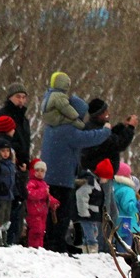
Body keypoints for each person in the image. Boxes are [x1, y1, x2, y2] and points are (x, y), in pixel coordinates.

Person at [39, 95, 110, 253]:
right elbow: (87, 139)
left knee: (53, 215)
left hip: (52, 177)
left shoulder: (52, 126)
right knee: (62, 215)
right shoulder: (67, 129)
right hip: (62, 179)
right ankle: (56, 245)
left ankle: (52, 243)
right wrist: (105, 131)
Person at [0, 83, 31, 246]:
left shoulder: (24, 118)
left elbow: (25, 142)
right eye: (18, 97)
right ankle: (5, 240)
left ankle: (13, 240)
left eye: (23, 97)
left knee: (19, 204)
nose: (21, 100)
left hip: (21, 165)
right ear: (10, 97)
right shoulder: (2, 115)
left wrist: (25, 161)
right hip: (7, 166)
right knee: (7, 206)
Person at [78, 99, 137, 175]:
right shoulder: (97, 131)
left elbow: (111, 137)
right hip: (99, 175)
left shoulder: (93, 127)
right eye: (106, 112)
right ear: (99, 115)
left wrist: (122, 126)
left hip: (98, 173)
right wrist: (130, 128)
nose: (108, 113)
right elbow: (118, 144)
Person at [25, 160, 58, 249]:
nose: (40, 173)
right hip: (34, 212)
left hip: (42, 212)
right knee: (36, 231)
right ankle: (34, 247)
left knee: (41, 231)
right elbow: (31, 194)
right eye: (37, 170)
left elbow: (47, 196)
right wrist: (43, 192)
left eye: (42, 171)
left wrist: (53, 202)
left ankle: (39, 247)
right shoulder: (31, 182)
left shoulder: (43, 184)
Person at [112, 162, 140, 252]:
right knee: (125, 248)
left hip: (116, 221)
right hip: (126, 223)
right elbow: (128, 207)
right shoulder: (127, 190)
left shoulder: (113, 187)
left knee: (117, 244)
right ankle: (124, 263)